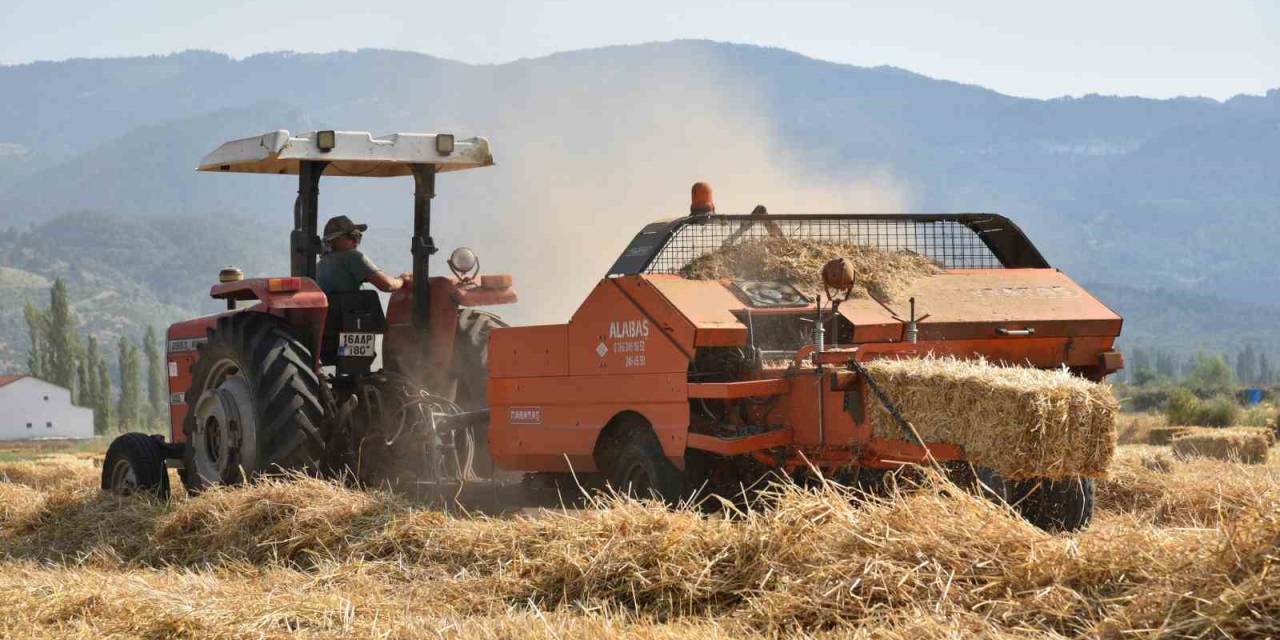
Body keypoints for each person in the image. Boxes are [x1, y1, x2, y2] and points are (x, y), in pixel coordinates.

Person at [316, 215, 411, 294]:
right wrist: (402, 279)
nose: (356, 241)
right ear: (334, 240)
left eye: (358, 236)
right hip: (348, 315)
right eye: (352, 236)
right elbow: (388, 285)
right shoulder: (352, 256)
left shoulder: (318, 266)